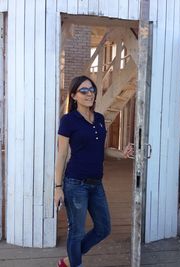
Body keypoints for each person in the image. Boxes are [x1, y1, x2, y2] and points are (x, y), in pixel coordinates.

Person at [54, 75, 133, 267]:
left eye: (91, 90)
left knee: (103, 228)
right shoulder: (68, 121)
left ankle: (69, 260)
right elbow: (62, 154)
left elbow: (102, 149)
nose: (89, 94)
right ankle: (75, 264)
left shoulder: (99, 118)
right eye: (84, 90)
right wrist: (57, 187)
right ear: (74, 96)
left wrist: (121, 154)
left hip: (96, 184)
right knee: (77, 231)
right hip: (75, 184)